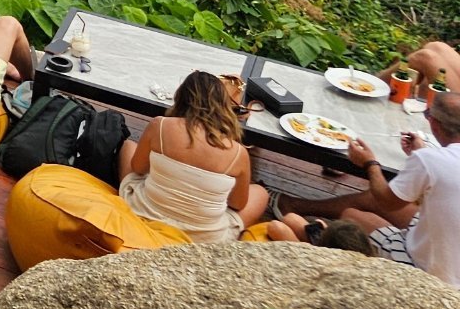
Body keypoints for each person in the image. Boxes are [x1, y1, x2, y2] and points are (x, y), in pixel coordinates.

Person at [286, 89, 460, 285]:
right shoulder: (431, 158)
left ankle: (337, 256)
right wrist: (423, 154)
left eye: (428, 114)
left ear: (434, 124)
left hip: (429, 273)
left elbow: (387, 201)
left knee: (351, 217)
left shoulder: (429, 160)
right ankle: (297, 205)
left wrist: (370, 163)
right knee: (378, 198)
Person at [117, 70, 272, 244]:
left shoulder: (159, 125)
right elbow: (237, 204)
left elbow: (138, 168)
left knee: (129, 146)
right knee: (260, 194)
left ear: (181, 97)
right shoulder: (238, 152)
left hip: (145, 214)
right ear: (224, 106)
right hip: (203, 237)